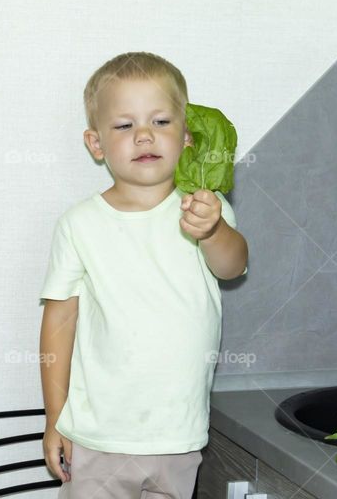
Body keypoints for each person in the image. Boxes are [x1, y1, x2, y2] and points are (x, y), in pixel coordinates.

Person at [39, 52, 249, 498]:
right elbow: (58, 323)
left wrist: (212, 230)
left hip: (178, 437)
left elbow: (233, 267)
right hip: (96, 439)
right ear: (96, 145)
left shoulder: (203, 207)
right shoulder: (79, 224)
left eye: (160, 122)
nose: (144, 136)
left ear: (187, 137)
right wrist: (54, 418)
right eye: (123, 125)